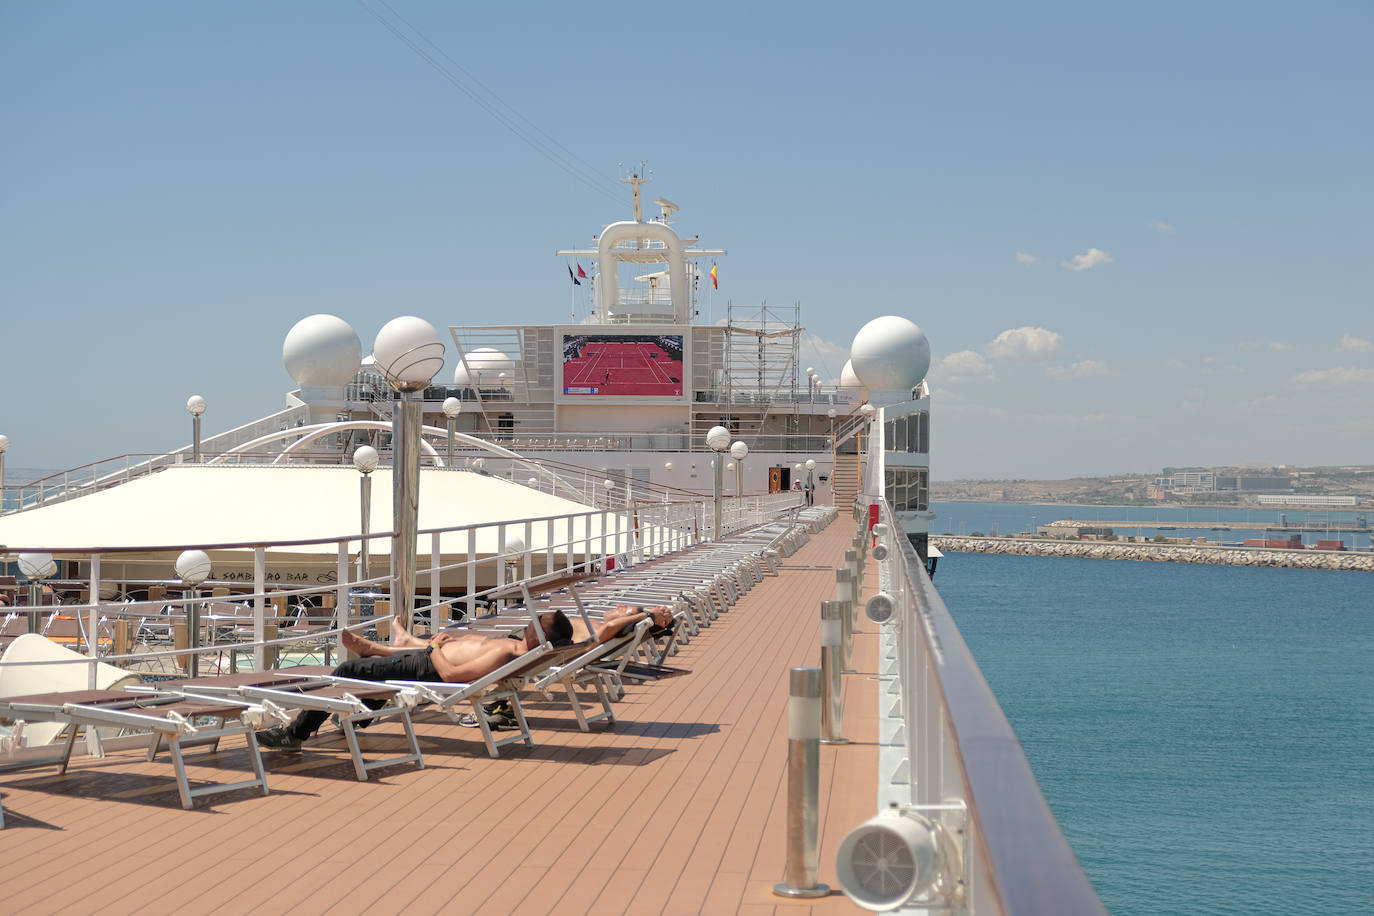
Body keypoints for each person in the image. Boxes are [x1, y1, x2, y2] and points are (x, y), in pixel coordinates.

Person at [255, 610, 574, 750]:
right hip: (426, 660)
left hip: (427, 668)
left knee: (346, 673)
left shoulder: (508, 652)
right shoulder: (515, 648)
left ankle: (295, 734)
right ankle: (363, 710)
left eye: (537, 622)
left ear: (541, 636)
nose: (530, 622)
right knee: (372, 668)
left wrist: (433, 648)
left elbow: (450, 675)